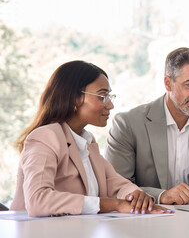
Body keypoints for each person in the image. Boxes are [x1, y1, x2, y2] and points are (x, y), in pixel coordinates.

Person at [10, 60, 173, 217]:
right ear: (74, 98)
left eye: (109, 96)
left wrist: (137, 197)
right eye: (102, 96)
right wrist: (114, 204)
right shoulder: (46, 137)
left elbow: (116, 184)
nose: (110, 105)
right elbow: (38, 200)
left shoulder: (87, 141)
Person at [105, 47, 189, 205]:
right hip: (142, 223)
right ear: (168, 83)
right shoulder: (128, 124)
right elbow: (114, 187)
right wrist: (162, 196)